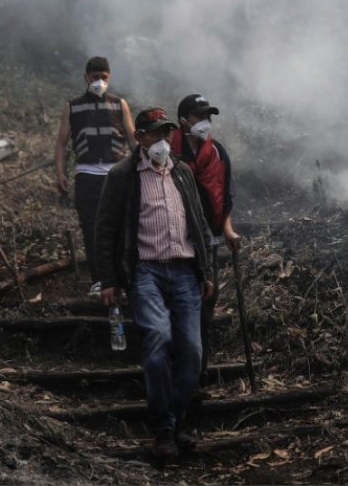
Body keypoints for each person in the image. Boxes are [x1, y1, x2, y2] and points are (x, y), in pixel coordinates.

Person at [91, 107, 215, 460]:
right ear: (139, 138)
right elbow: (106, 230)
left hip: (186, 272)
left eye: (167, 134)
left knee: (191, 349)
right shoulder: (122, 176)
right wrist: (109, 279)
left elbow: (198, 221)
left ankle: (174, 421)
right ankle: (164, 427)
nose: (163, 141)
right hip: (147, 272)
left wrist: (205, 270)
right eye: (156, 134)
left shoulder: (183, 173)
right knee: (158, 337)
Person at [172, 93, 241, 382]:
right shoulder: (167, 152)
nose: (204, 123)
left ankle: (198, 373)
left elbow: (223, 200)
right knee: (177, 304)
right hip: (175, 242)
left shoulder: (217, 153)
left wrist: (228, 230)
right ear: (183, 121)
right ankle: (175, 370)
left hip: (209, 241)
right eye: (199, 117)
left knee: (206, 305)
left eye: (207, 117)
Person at [53, 56, 136, 286]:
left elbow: (132, 140)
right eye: (95, 77)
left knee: (122, 225)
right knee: (92, 228)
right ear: (86, 77)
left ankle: (123, 277)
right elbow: (61, 142)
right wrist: (60, 173)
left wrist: (143, 168)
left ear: (109, 78)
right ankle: (100, 280)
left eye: (104, 77)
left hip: (117, 174)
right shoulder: (73, 106)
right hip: (87, 175)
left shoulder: (120, 104)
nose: (99, 81)